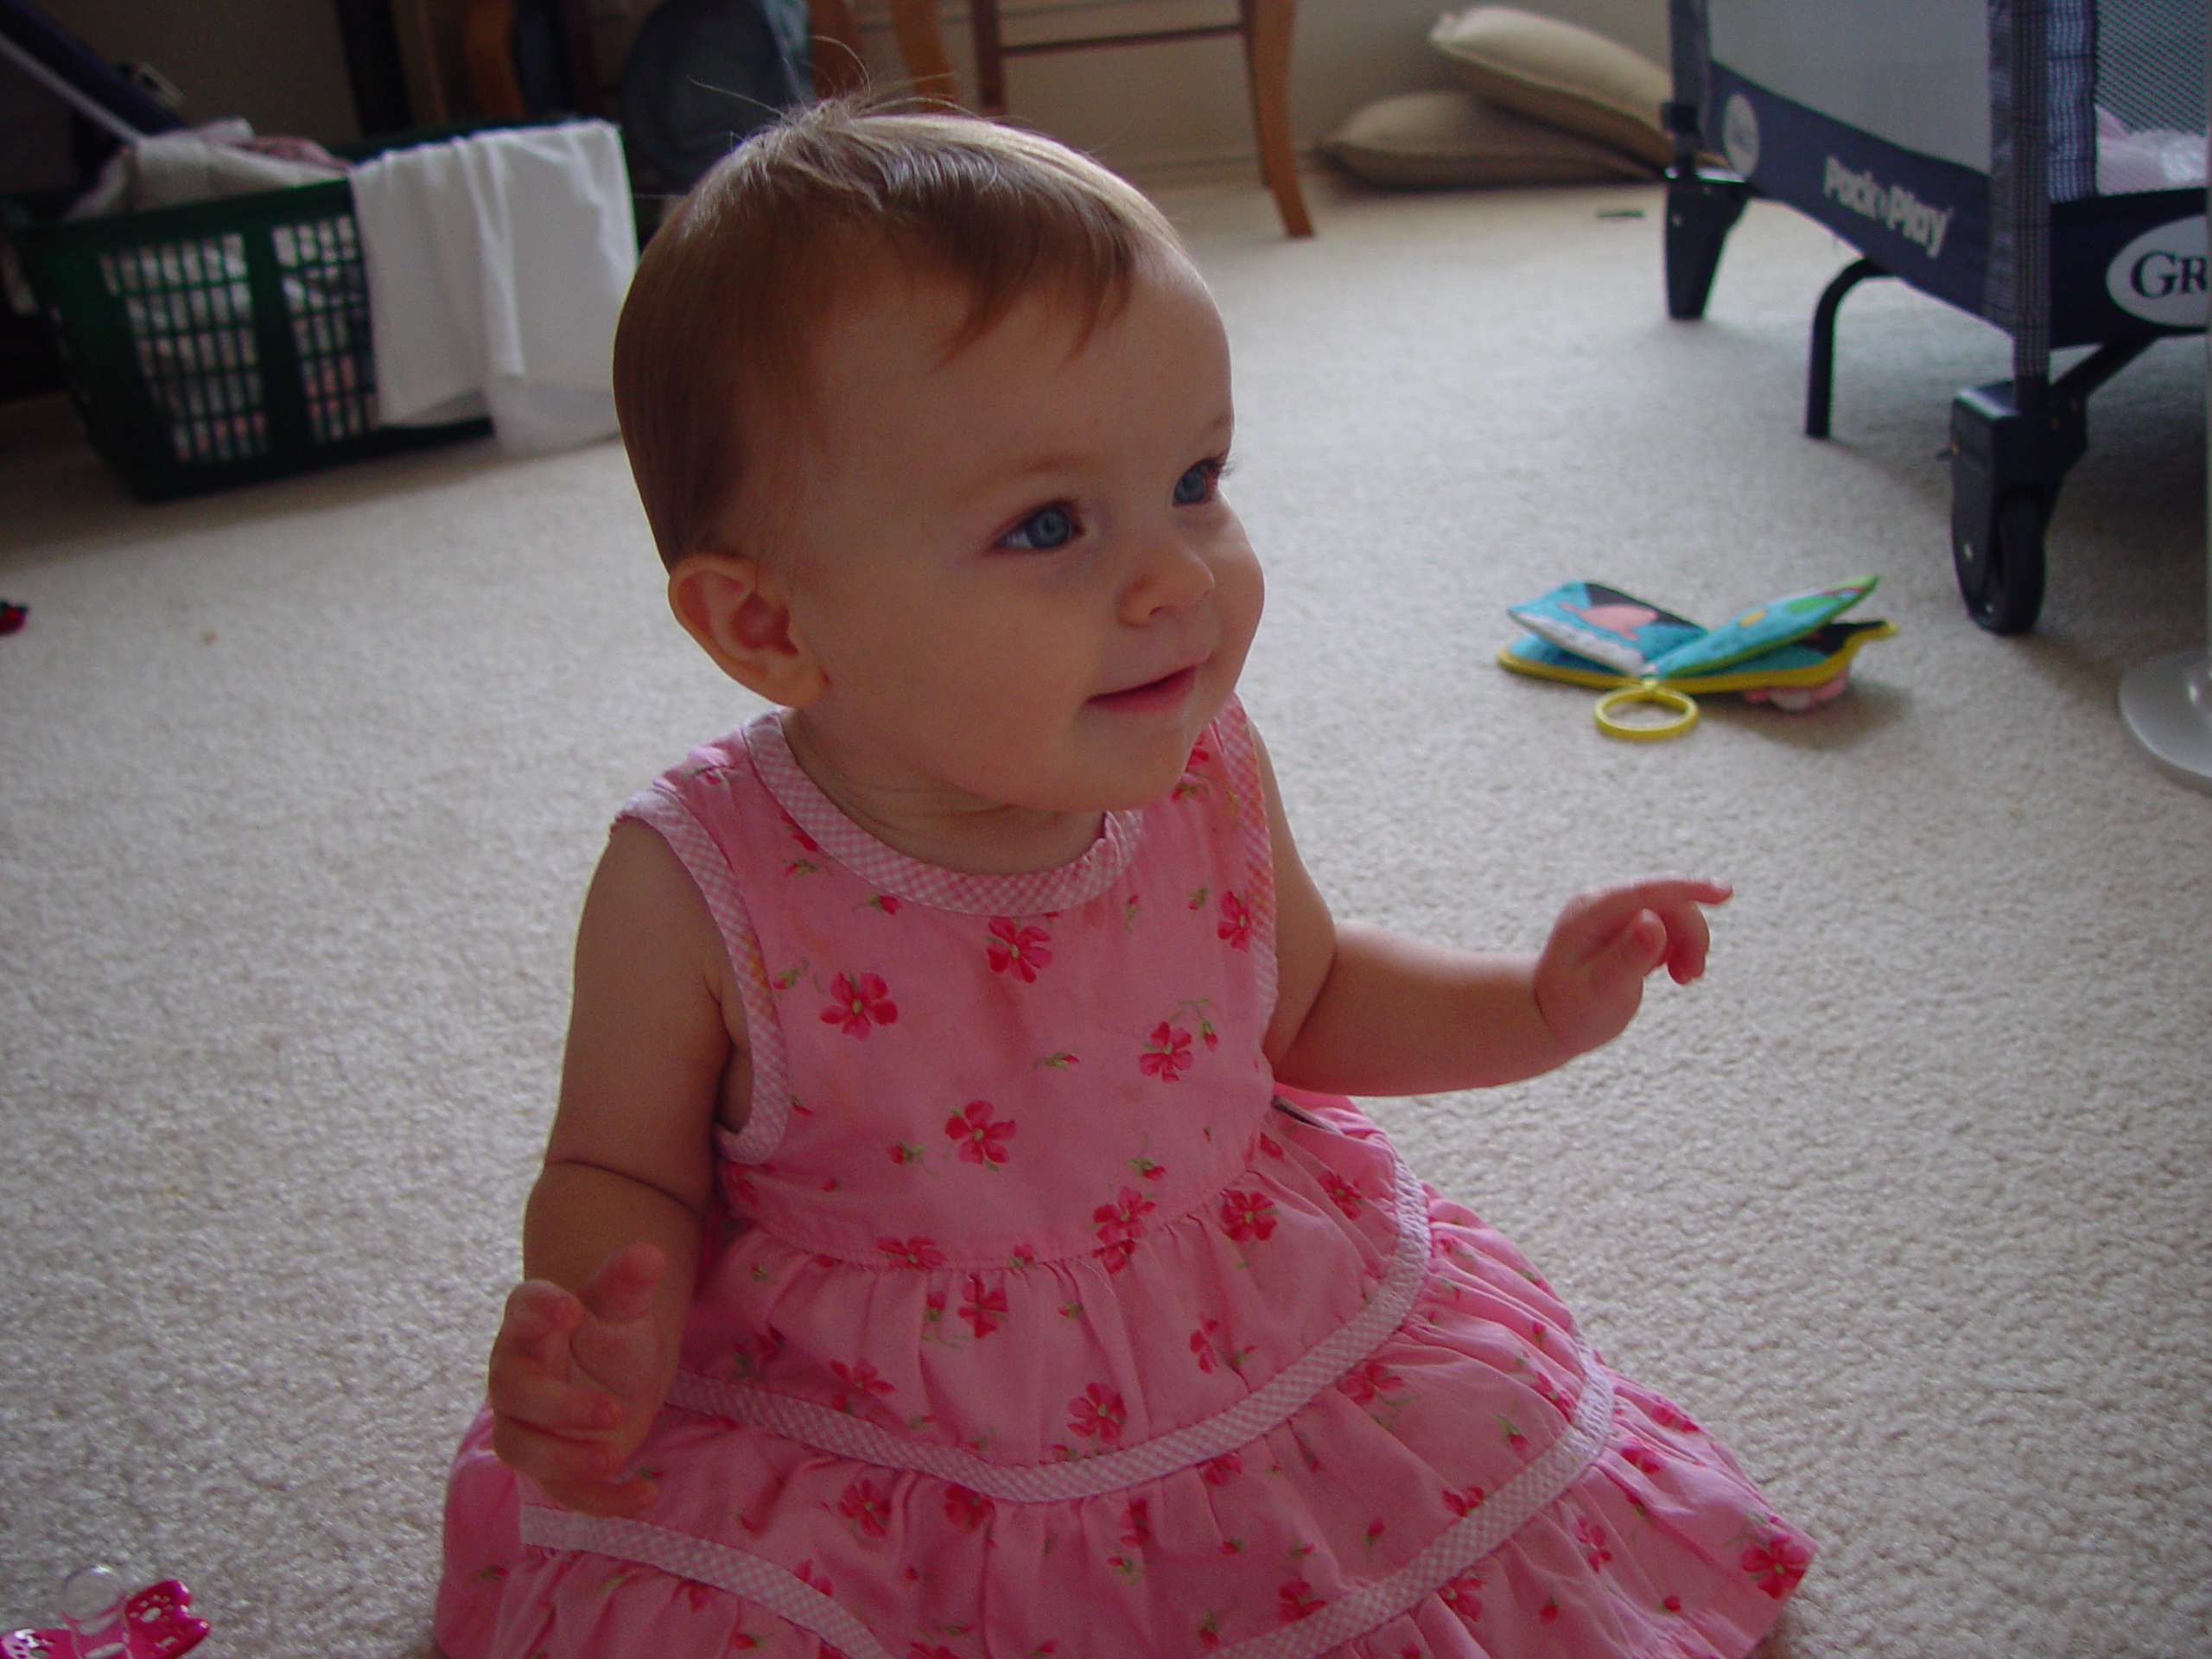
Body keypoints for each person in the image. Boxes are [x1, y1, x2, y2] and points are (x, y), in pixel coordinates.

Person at [435, 99, 1813, 1659]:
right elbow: (621, 1172)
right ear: (769, 628)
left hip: (1244, 1328)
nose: (1176, 578)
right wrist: (600, 1327)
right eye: (1047, 525)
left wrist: (1534, 1007)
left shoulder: (1201, 766)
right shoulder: (694, 883)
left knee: (1473, 1453)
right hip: (874, 1411)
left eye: (1196, 479)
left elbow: (1307, 999)